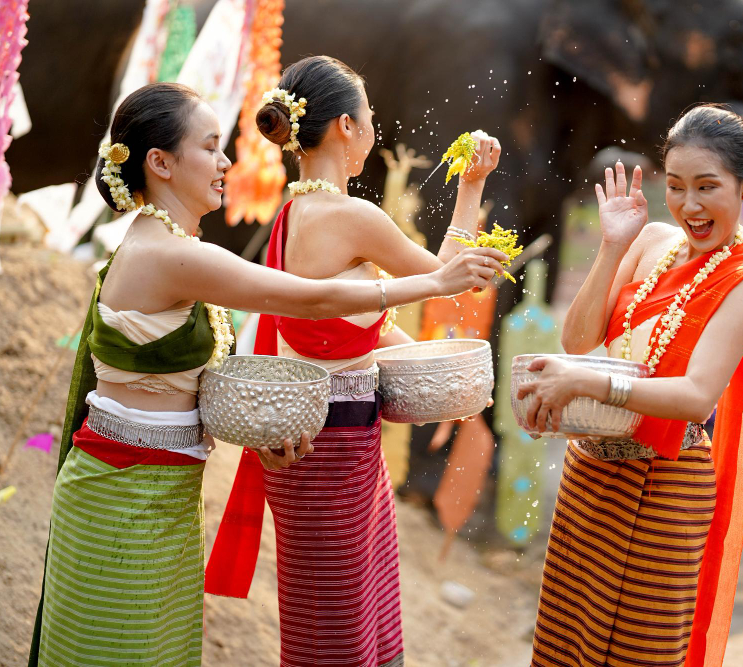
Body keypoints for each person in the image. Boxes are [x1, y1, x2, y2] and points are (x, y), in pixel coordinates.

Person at [27, 82, 505, 667]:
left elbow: (207, 377)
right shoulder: (172, 255)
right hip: (127, 490)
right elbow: (310, 302)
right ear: (160, 163)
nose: (227, 161)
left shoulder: (195, 241)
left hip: (167, 490)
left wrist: (262, 435)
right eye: (211, 147)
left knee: (158, 651)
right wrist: (434, 282)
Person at [204, 56, 502, 667]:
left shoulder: (293, 216)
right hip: (336, 446)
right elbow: (444, 277)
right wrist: (471, 187)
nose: (374, 129)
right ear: (345, 126)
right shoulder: (349, 216)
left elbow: (345, 334)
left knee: (326, 611)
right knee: (339, 622)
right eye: (370, 119)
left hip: (324, 439)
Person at [517, 104, 743, 666]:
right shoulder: (649, 239)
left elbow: (697, 397)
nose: (690, 205)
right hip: (591, 475)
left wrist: (584, 384)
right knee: (564, 644)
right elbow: (578, 341)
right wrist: (611, 245)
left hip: (664, 488)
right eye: (677, 186)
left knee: (636, 652)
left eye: (708, 187)